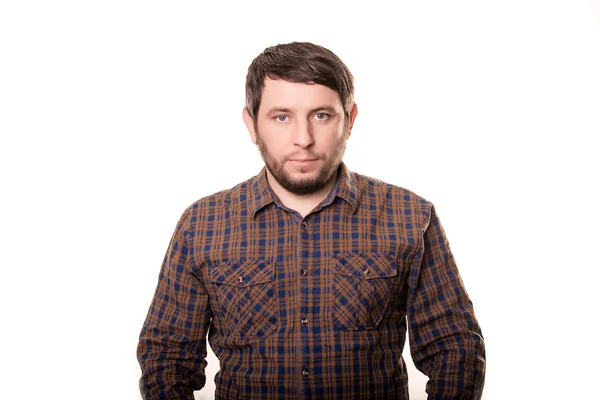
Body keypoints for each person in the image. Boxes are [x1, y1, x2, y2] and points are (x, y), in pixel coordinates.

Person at [137, 41, 486, 399]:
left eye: (321, 115)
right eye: (282, 117)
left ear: (349, 120)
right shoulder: (202, 225)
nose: (302, 139)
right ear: (252, 124)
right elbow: (167, 359)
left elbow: (455, 349)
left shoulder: (410, 216)